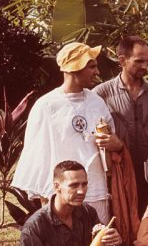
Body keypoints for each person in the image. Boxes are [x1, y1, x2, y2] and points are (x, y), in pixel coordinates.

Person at [12, 42, 125, 225]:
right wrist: (47, 198)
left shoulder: (96, 101)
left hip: (95, 188)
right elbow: (38, 156)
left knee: (96, 244)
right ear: (74, 68)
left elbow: (112, 142)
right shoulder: (46, 105)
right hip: (63, 194)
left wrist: (113, 143)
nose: (97, 72)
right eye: (92, 66)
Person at [93, 36, 148, 216]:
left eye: (147, 62)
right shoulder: (101, 94)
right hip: (118, 173)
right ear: (122, 60)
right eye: (139, 61)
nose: (145, 67)